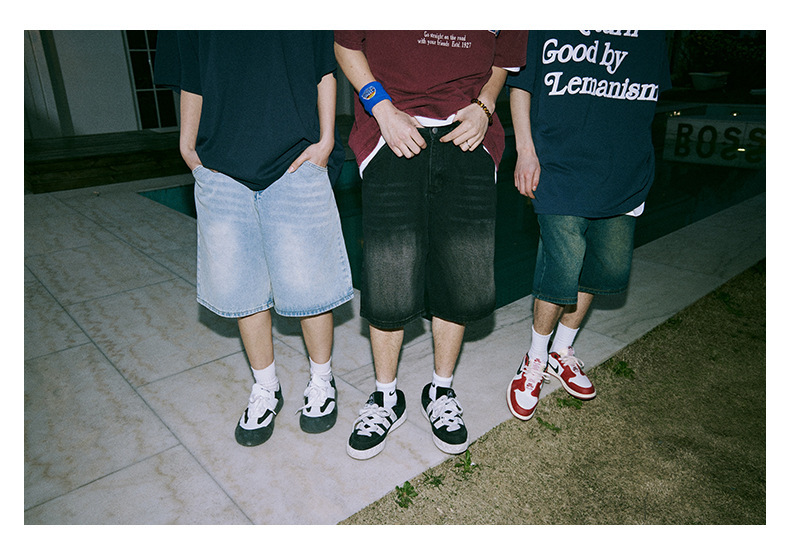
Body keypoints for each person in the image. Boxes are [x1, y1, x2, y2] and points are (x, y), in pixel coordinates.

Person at [334, 30, 528, 459]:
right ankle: (386, 397)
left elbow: (504, 57)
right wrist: (381, 108)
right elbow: (346, 43)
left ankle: (441, 390)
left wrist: (485, 105)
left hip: (468, 134)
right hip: (391, 129)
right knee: (388, 273)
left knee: (460, 274)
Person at [154, 31, 353, 446]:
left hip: (297, 156)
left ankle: (322, 380)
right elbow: (191, 75)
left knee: (311, 284)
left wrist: (326, 141)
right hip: (220, 163)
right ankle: (266, 388)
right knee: (242, 287)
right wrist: (187, 146)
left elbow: (324, 67)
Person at [505, 30, 671, 420]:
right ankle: (535, 357)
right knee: (562, 266)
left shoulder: (651, 28)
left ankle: (561, 350)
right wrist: (525, 150)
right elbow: (521, 85)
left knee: (602, 267)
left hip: (623, 175)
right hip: (558, 166)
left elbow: (647, 99)